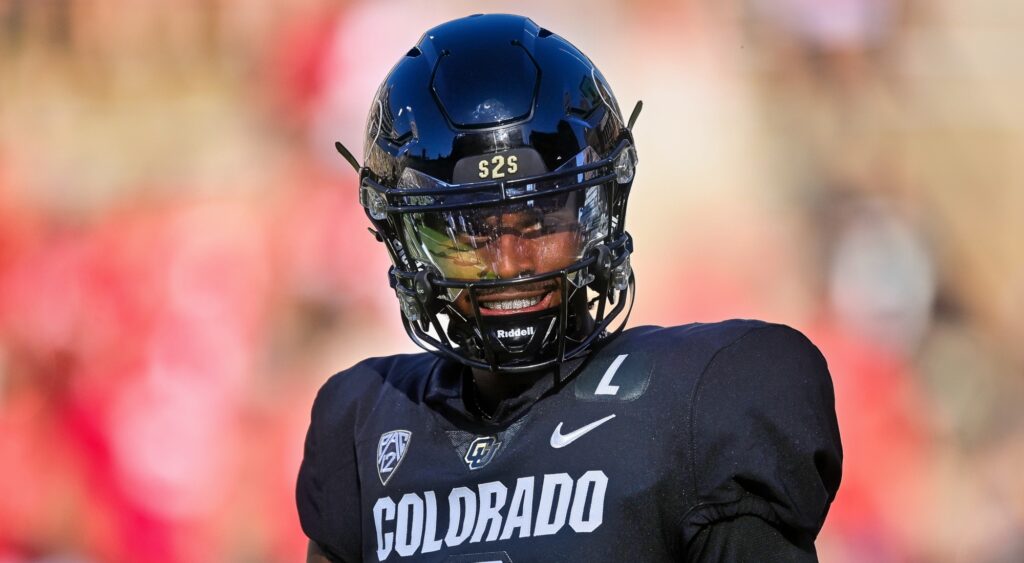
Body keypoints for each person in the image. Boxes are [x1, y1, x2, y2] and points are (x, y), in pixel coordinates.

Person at [297, 13, 842, 562]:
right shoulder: (363, 426)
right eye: (469, 232)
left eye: (540, 221)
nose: (509, 264)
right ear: (405, 238)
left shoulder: (703, 405)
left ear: (599, 212)